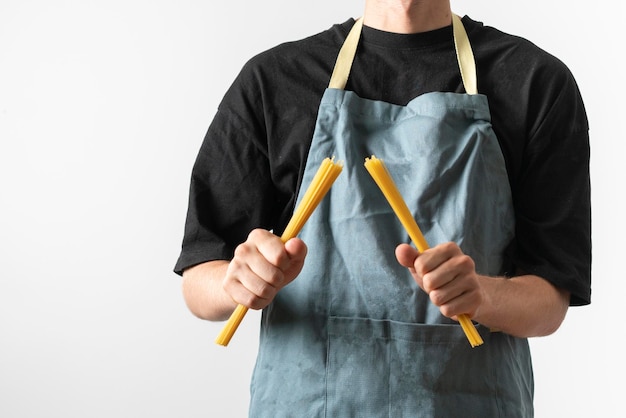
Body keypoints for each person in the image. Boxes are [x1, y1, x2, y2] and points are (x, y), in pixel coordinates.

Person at [174, 0, 591, 416]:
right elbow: (198, 282)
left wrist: (481, 295)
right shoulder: (273, 81)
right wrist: (236, 280)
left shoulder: (535, 82)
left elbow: (549, 303)